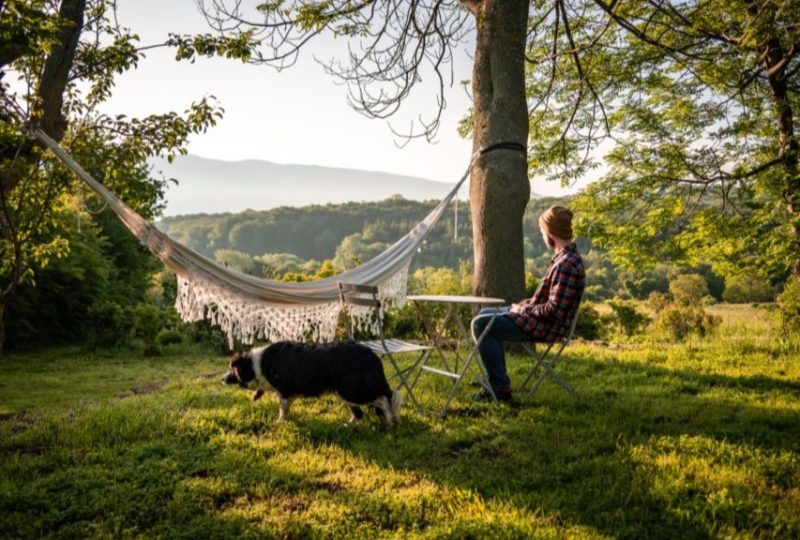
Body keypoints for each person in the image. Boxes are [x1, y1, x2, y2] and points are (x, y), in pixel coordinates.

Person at [471, 205, 585, 402]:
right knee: (485, 313)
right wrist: (522, 307)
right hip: (539, 319)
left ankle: (499, 388)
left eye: (542, 231)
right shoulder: (564, 258)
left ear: (551, 233)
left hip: (547, 326)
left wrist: (523, 309)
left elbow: (553, 310)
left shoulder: (566, 265)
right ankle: (497, 380)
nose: (542, 236)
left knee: (481, 324)